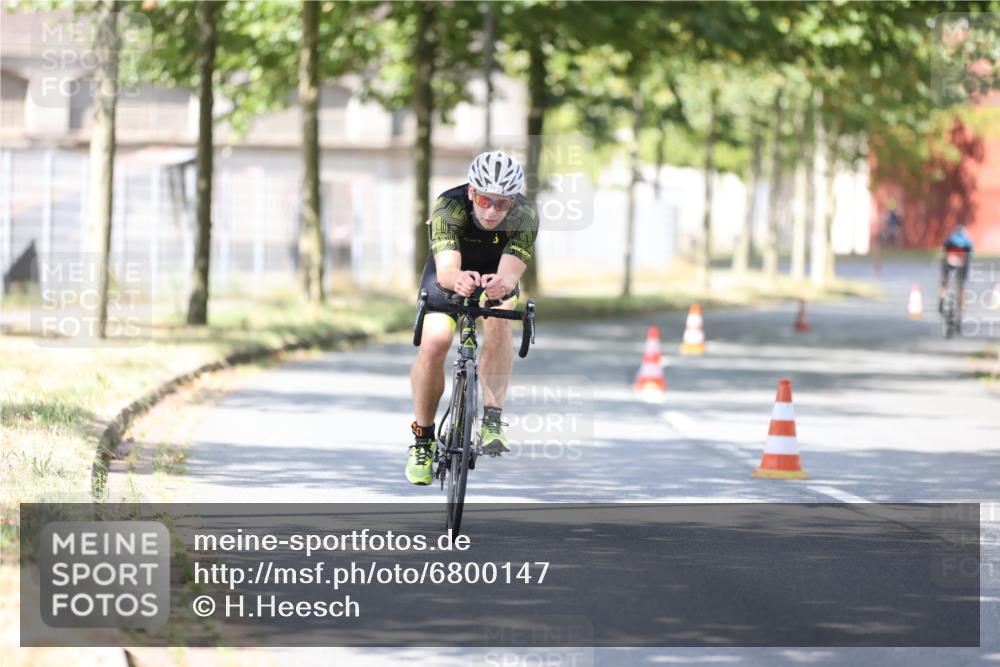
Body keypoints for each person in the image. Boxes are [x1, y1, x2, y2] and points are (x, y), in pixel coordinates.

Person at [406, 151, 539, 485]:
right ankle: (423, 440)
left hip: (497, 273)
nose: (491, 211)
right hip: (451, 271)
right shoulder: (449, 206)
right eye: (483, 200)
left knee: (500, 320)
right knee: (435, 341)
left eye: (501, 204)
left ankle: (492, 420)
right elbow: (447, 271)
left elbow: (510, 275)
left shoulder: (524, 215)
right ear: (471, 192)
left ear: (512, 201)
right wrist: (458, 280)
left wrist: (502, 284)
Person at [938, 222, 974, 321]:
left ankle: (942, 296)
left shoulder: (951, 238)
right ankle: (960, 312)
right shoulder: (967, 240)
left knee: (944, 280)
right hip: (962, 263)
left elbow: (944, 248)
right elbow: (970, 253)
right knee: (961, 286)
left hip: (948, 261)